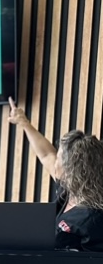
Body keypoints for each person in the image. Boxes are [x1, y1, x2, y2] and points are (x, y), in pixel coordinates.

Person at [7, 98, 103, 250]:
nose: (55, 162)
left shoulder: (93, 220)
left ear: (71, 170)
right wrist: (23, 122)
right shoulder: (70, 189)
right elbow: (46, 155)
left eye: (58, 158)